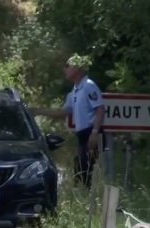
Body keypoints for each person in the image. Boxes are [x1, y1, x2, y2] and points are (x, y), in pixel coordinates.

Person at [29, 58, 105, 189]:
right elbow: (63, 113)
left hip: (91, 133)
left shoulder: (88, 85)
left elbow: (100, 108)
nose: (65, 69)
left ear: (78, 67)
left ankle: (95, 203)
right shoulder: (74, 91)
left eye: (67, 66)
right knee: (81, 173)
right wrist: (39, 111)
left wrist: (95, 132)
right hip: (82, 136)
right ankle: (87, 203)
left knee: (89, 173)